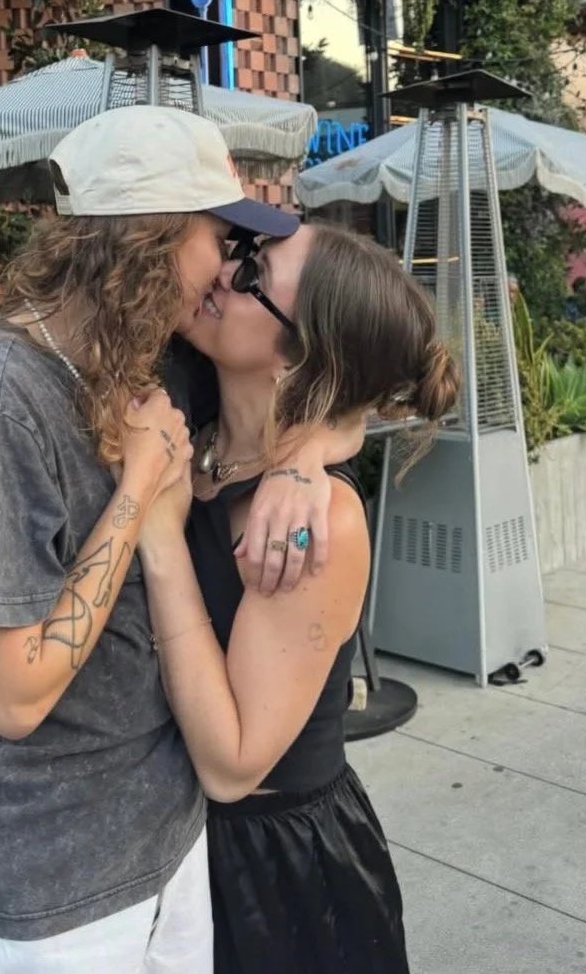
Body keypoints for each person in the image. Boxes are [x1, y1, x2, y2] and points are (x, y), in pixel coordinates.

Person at [0, 105, 340, 974]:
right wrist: (137, 493)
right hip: (36, 905)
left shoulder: (143, 363)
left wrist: (310, 456)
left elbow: (376, 371)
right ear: (153, 240)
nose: (225, 267)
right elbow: (8, 697)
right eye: (219, 237)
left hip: (165, 861)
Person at [137, 222, 460, 974]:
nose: (222, 271)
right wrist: (316, 443)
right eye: (239, 250)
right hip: (170, 849)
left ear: (306, 354)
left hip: (272, 880)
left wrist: (159, 539)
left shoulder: (323, 524)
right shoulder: (195, 418)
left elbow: (233, 765)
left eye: (252, 276)